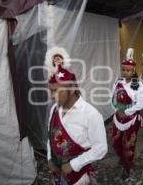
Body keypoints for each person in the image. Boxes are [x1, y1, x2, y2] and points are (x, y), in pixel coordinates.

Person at [45, 47, 108, 185]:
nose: (52, 96)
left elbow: (101, 148)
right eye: (50, 90)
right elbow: (50, 136)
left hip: (79, 176)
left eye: (57, 91)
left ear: (72, 88)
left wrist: (74, 164)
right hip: (58, 173)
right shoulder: (54, 110)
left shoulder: (90, 114)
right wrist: (50, 157)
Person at [111, 48, 143, 180]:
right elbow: (112, 98)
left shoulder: (138, 85)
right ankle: (121, 156)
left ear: (133, 71)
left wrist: (126, 112)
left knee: (129, 144)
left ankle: (127, 166)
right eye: (124, 70)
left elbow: (141, 103)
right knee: (115, 142)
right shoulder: (118, 83)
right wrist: (117, 110)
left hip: (131, 119)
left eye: (128, 70)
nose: (125, 72)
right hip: (118, 118)